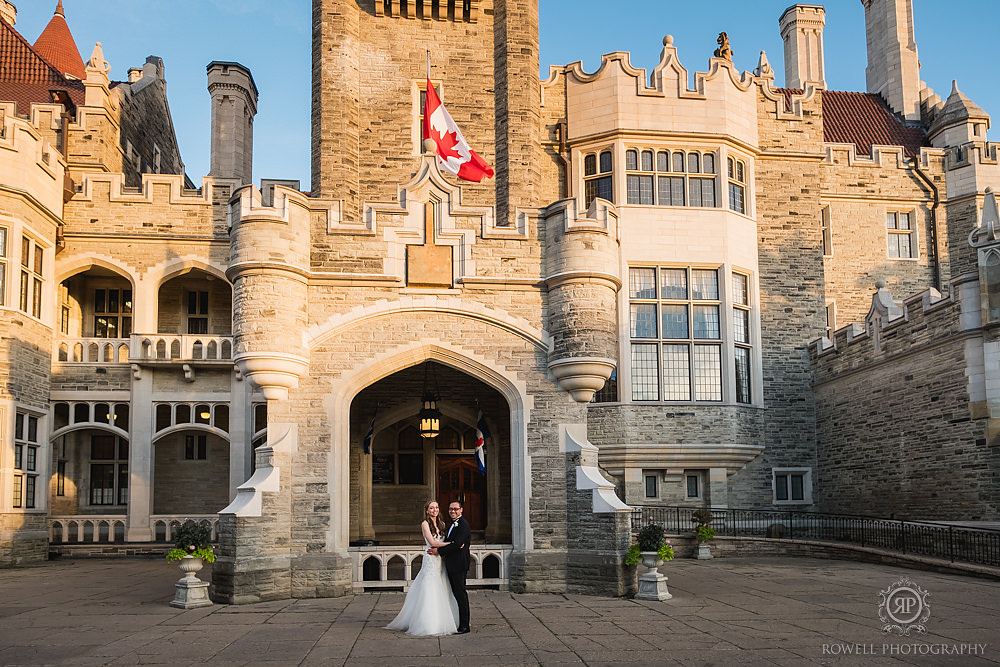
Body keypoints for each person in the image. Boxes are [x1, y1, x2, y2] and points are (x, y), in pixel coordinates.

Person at [385, 500, 460, 636]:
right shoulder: (425, 524)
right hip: (431, 558)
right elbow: (432, 542)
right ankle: (428, 623)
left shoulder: (442, 524)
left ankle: (444, 619)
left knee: (443, 586)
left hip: (441, 559)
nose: (434, 510)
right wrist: (453, 544)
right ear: (426, 510)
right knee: (430, 587)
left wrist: (450, 546)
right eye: (431, 508)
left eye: (436, 507)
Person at [428, 499, 471, 634]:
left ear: (461, 510)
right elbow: (450, 542)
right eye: (451, 509)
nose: (453, 511)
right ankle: (457, 620)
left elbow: (457, 544)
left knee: (460, 594)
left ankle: (465, 625)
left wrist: (438, 551)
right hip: (451, 564)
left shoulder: (463, 525)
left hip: (459, 565)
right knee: (454, 594)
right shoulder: (451, 524)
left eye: (455, 509)